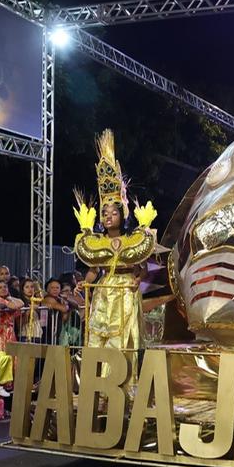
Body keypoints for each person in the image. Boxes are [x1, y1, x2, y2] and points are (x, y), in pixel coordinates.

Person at [73, 130, 156, 351]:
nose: (108, 217)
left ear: (122, 215)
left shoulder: (133, 241)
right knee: (99, 337)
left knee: (122, 341)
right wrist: (85, 282)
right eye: (104, 213)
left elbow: (143, 268)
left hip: (125, 292)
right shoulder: (97, 242)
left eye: (114, 213)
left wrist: (138, 279)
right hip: (103, 293)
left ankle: (123, 382)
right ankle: (97, 381)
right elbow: (93, 269)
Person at [0, 280, 21, 393]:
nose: (3, 289)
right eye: (0, 287)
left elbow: (21, 303)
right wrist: (10, 300)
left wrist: (10, 298)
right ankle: (1, 387)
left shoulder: (7, 299)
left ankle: (11, 390)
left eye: (5, 286)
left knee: (14, 362)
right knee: (4, 361)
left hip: (10, 334)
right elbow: (13, 306)